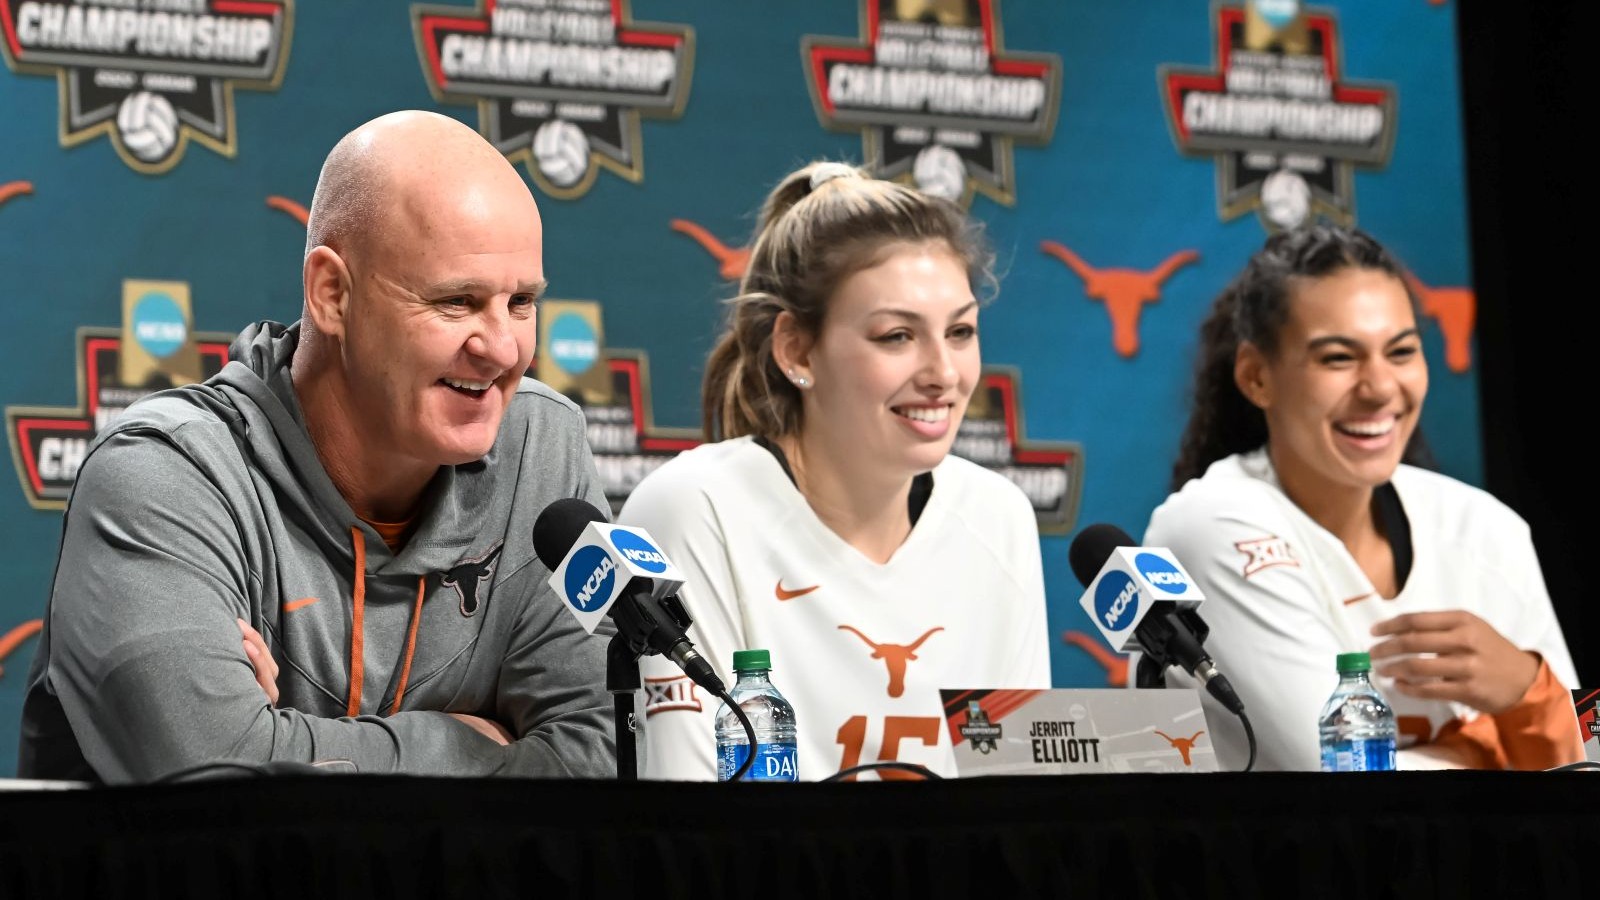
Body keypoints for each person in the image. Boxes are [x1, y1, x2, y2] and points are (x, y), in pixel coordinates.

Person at [18, 111, 615, 784]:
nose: (502, 349)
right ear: (332, 293)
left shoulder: (544, 445)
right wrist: (478, 746)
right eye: (456, 302)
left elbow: (602, 759)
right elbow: (208, 776)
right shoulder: (164, 474)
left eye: (521, 303)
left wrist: (287, 744)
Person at [623, 162, 1051, 780]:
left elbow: (1023, 799)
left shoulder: (997, 514)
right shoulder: (695, 509)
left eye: (960, 331)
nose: (944, 373)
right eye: (897, 335)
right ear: (797, 349)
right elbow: (690, 817)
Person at [1147, 224, 1581, 771]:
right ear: (1258, 377)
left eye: (1401, 352)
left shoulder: (1485, 526)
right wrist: (1493, 746)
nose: (1379, 387)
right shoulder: (1210, 524)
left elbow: (1590, 760)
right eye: (1338, 358)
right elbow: (1331, 777)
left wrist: (1528, 687)